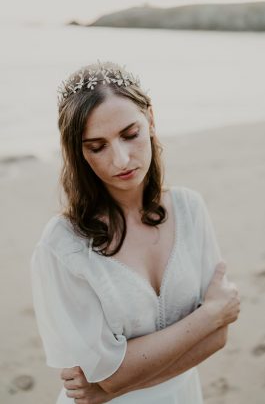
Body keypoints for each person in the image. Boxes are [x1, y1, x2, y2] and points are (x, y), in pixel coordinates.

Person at [30, 60, 240, 404]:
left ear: (151, 120)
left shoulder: (190, 209)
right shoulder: (63, 244)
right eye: (96, 146)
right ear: (78, 152)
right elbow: (109, 376)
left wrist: (114, 383)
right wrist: (211, 314)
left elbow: (219, 338)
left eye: (130, 135)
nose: (121, 159)